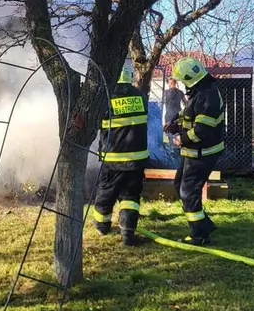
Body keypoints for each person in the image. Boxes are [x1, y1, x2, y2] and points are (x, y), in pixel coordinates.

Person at [164, 57, 224, 245]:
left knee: (189, 192)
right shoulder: (200, 92)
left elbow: (202, 130)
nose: (181, 83)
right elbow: (188, 114)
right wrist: (175, 125)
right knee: (179, 185)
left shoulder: (209, 96)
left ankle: (199, 234)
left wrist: (181, 138)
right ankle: (204, 225)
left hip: (202, 154)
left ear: (190, 78)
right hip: (193, 153)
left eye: (182, 79)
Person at [92, 61, 150, 246]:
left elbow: (96, 122)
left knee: (106, 193)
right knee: (130, 197)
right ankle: (127, 234)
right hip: (137, 160)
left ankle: (102, 226)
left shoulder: (107, 97)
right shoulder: (140, 96)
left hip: (114, 159)